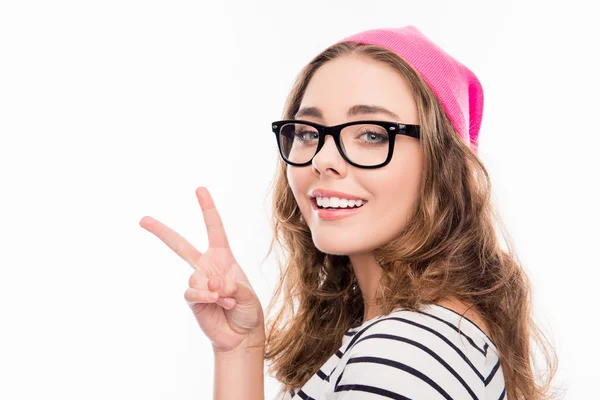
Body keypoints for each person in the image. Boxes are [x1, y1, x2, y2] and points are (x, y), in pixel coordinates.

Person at [140, 26, 559, 399]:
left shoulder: (406, 350)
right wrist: (240, 350)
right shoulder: (422, 336)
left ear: (445, 165)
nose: (322, 158)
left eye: (373, 134)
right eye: (307, 132)